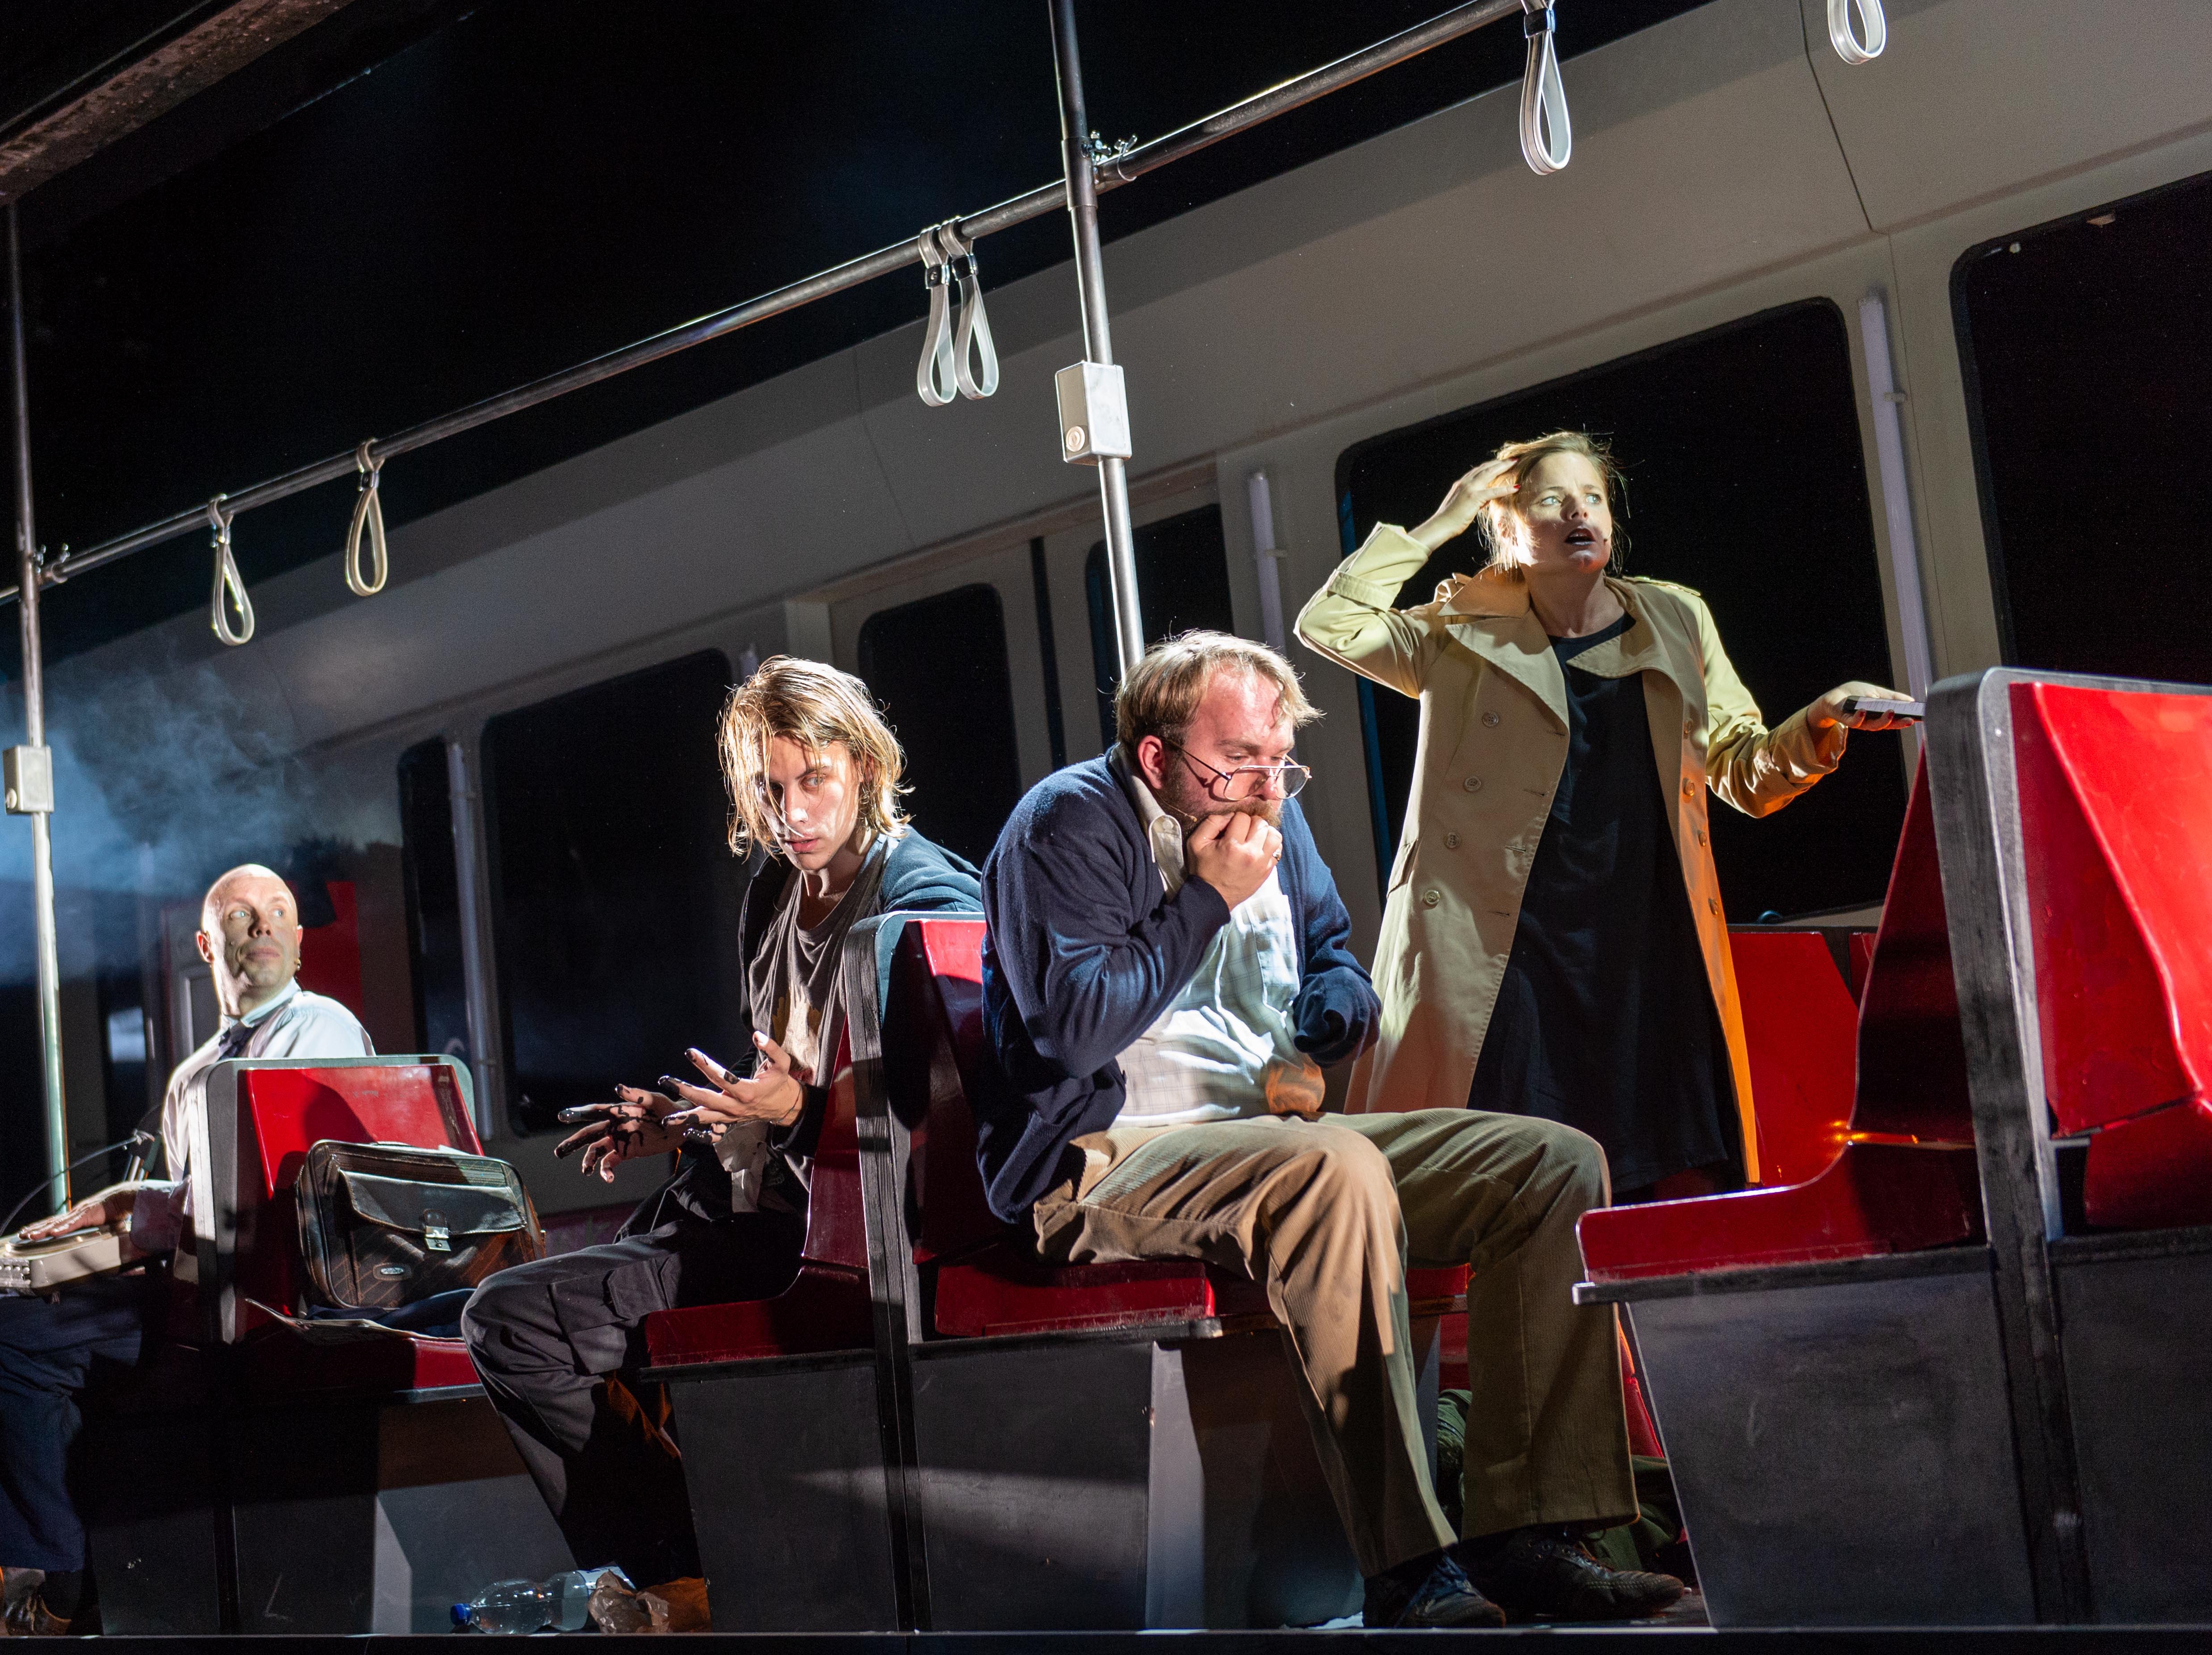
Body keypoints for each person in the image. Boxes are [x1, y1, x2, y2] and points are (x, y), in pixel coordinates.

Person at [978, 630, 1682, 1628]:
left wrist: (1337, 1010)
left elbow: (1333, 954)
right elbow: (1073, 1026)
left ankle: (1531, 1532)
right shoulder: (1065, 825)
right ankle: (1407, 1565)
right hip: (1106, 1158)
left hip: (1266, 1135)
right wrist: (1206, 899)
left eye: (1281, 761)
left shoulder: (1274, 812)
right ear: (1156, 756)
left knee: (1549, 1165)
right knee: (1334, 1166)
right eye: (1239, 761)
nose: (1267, 788)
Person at [461, 656, 979, 1599]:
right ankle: (705, 1564)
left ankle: (688, 1576)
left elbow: (922, 1131)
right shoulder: (777, 891)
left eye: (814, 780)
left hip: (819, 1241)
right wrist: (684, 1120)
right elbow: (778, 1074)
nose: (793, 813)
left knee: (509, 1322)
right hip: (740, 1204)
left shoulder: (924, 902)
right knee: (512, 1308)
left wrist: (799, 1115)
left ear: (866, 765)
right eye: (768, 790)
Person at [1296, 431, 1917, 1198]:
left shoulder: (1676, 619)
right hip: (1505, 953)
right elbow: (1330, 625)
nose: (1578, 514)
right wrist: (1438, 525)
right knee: (1515, 1180)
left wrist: (1823, 721)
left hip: (1642, 946)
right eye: (1552, 501)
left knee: (1667, 1182)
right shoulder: (1458, 630)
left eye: (1592, 498)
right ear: (1508, 527)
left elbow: (1742, 773)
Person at [0, 865, 372, 1634]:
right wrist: (105, 1228)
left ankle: (69, 1575)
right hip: (196, 1287)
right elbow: (194, 1206)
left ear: (301, 941)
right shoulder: (193, 1074)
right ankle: (69, 1556)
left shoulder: (321, 1031)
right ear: (207, 945)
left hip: (269, 1299)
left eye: (280, 913)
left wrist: (136, 1207)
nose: (264, 925)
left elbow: (268, 1197)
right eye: (242, 915)